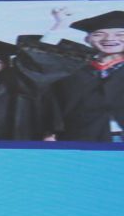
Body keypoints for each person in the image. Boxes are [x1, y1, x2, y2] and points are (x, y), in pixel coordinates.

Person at [36, 9, 124, 141]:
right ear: (87, 39)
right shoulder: (72, 68)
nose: (109, 39)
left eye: (120, 34)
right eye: (99, 34)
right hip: (82, 137)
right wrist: (60, 26)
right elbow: (39, 61)